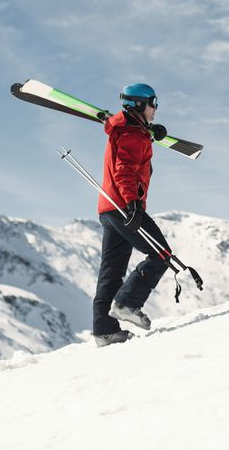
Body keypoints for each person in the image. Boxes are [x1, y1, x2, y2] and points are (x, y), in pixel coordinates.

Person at [91, 83, 172, 347]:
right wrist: (133, 204)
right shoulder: (133, 135)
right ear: (139, 104)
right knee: (161, 255)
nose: (156, 107)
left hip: (108, 208)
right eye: (153, 102)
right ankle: (127, 304)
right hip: (125, 207)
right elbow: (124, 169)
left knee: (111, 272)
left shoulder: (126, 129)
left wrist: (150, 132)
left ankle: (105, 331)